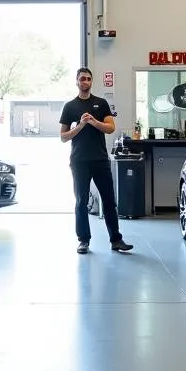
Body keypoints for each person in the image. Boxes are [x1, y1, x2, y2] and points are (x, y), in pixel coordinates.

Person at [60, 67, 133, 255]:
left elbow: (110, 128)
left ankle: (116, 239)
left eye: (88, 79)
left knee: (109, 200)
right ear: (76, 82)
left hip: (100, 160)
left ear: (91, 82)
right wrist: (82, 125)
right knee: (81, 201)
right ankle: (83, 240)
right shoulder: (70, 107)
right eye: (82, 79)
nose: (85, 81)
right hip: (79, 161)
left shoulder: (101, 104)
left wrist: (93, 121)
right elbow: (64, 136)